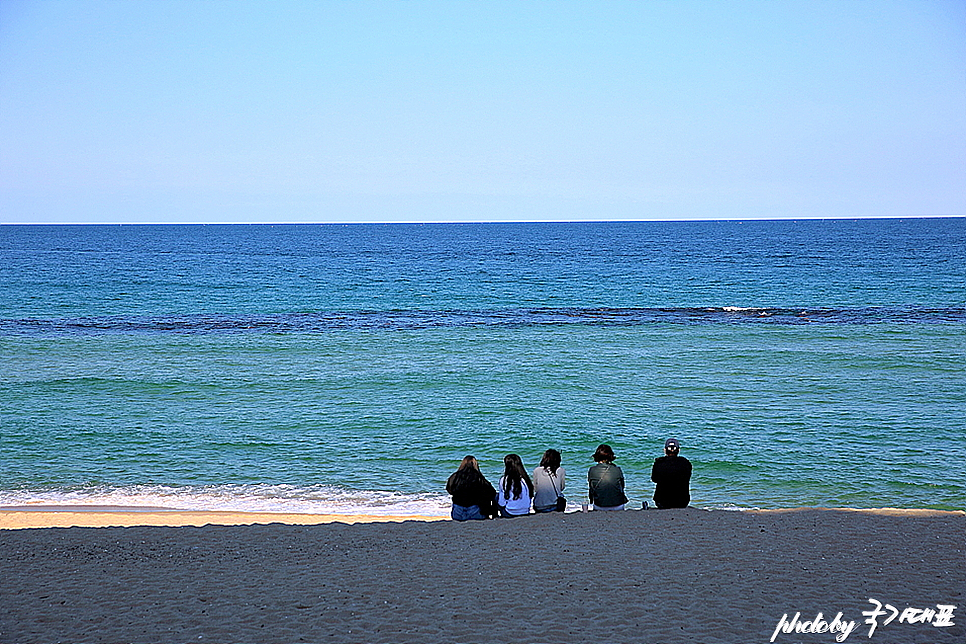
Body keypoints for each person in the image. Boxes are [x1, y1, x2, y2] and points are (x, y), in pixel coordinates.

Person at [446, 455, 497, 521]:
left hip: (457, 513)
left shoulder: (455, 476)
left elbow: (449, 489)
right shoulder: (478, 477)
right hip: (475, 513)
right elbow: (491, 492)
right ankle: (495, 515)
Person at [651, 438, 692, 509]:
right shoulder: (686, 463)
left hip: (662, 501)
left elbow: (654, 479)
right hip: (682, 502)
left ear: (665, 450)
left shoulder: (659, 463)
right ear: (678, 450)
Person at [587, 444, 628, 511]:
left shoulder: (592, 470)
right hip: (618, 505)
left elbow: (591, 488)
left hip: (599, 505)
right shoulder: (617, 469)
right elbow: (622, 487)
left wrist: (591, 500)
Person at [532, 449, 566, 513]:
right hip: (555, 505)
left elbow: (536, 489)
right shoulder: (561, 470)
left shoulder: (536, 470)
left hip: (539, 505)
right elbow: (562, 487)